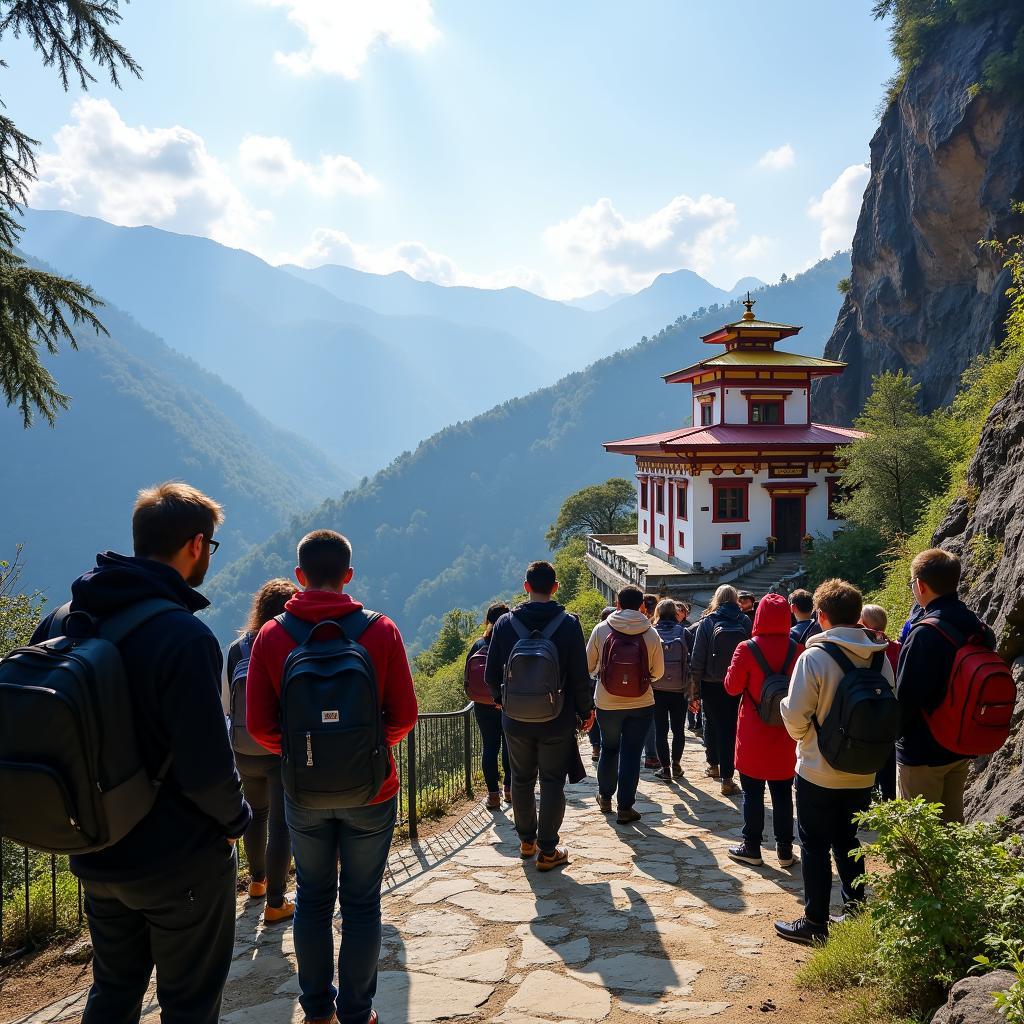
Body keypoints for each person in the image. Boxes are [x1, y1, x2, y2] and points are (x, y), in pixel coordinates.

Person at [30, 482, 251, 1024]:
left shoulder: (64, 620)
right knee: (190, 1005)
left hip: (95, 850)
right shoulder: (183, 636)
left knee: (113, 991)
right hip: (180, 864)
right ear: (196, 545)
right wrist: (236, 820)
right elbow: (205, 769)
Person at [245, 529, 418, 1024]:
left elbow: (258, 726)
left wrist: (301, 758)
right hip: (372, 791)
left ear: (299, 577)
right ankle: (357, 1011)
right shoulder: (380, 630)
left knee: (314, 901)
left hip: (303, 793)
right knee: (362, 903)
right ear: (348, 576)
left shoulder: (272, 635)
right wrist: (368, 751)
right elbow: (405, 715)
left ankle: (316, 1009)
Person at [776, 579, 895, 946]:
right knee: (849, 839)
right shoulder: (879, 656)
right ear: (857, 615)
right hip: (863, 769)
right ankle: (855, 911)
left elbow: (796, 714)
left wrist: (803, 740)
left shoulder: (814, 657)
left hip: (818, 768)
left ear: (821, 616)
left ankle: (815, 921)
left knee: (813, 844)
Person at [485, 561, 594, 870]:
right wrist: (586, 711)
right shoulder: (568, 624)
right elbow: (578, 675)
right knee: (551, 781)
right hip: (556, 718)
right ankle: (548, 851)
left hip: (515, 719)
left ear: (526, 587)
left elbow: (491, 675)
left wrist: (502, 702)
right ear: (555, 588)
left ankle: (526, 841)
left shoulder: (505, 624)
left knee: (520, 779)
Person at [896, 549, 996, 824]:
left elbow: (906, 698)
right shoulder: (979, 627)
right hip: (960, 742)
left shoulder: (924, 633)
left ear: (920, 585)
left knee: (921, 837)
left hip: (922, 751)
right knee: (952, 830)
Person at [225, 577, 297, 924]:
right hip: (276, 745)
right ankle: (276, 901)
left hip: (241, 746)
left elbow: (227, 703)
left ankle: (256, 883)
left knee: (256, 814)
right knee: (281, 823)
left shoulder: (237, 648)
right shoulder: (287, 642)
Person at [723, 594, 800, 868]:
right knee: (782, 793)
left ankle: (752, 846)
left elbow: (732, 688)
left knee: (752, 793)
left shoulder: (746, 648)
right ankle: (785, 850)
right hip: (785, 731)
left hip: (753, 731)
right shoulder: (797, 650)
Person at [586, 585, 664, 823]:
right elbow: (658, 672)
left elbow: (588, 666)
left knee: (609, 749)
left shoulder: (601, 629)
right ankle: (625, 807)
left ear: (617, 604)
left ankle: (605, 797)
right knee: (631, 753)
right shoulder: (651, 633)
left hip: (607, 702)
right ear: (642, 606)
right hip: (641, 702)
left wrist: (603, 675)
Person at [689, 585, 751, 797]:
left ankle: (716, 767)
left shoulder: (707, 622)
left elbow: (697, 659)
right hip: (737, 683)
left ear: (716, 599)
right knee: (729, 729)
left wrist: (694, 692)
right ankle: (726, 776)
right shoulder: (743, 621)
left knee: (712, 724)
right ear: (735, 599)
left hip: (711, 683)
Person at [465, 602, 512, 809]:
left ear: (487, 620)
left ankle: (493, 795)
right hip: (509, 702)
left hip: (483, 704)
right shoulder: (511, 643)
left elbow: (467, 677)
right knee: (510, 747)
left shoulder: (478, 644)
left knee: (489, 747)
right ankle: (509, 790)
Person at [859, 604, 900, 801]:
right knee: (889, 755)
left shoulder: (863, 650)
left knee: (869, 758)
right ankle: (889, 798)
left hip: (868, 711)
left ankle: (870, 798)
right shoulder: (897, 648)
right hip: (890, 712)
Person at [652, 599, 689, 781]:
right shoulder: (683, 632)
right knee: (678, 729)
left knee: (660, 730)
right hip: (679, 688)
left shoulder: (652, 633)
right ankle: (676, 764)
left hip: (656, 687)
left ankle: (665, 768)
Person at [588, 606, 616, 763]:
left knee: (594, 712)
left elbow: (588, 662)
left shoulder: (598, 631)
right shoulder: (625, 632)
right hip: (620, 685)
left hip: (598, 682)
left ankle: (596, 747)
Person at [640, 593, 662, 768]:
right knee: (650, 721)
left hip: (615, 685)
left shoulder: (609, 625)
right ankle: (651, 755)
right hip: (648, 683)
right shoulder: (652, 629)